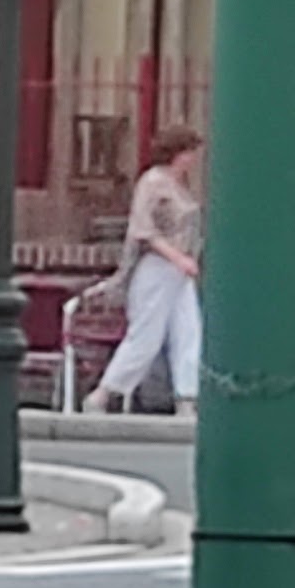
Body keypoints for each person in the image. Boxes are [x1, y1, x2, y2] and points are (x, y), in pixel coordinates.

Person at [93, 127, 202, 410]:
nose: (193, 158)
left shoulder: (180, 184)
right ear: (176, 153)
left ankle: (187, 397)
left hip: (180, 271)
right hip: (157, 267)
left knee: (189, 332)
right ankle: (104, 392)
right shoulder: (153, 182)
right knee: (146, 335)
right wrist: (177, 257)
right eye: (189, 152)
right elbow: (144, 230)